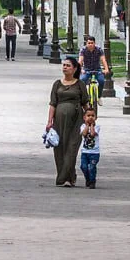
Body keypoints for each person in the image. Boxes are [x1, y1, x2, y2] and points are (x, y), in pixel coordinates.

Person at [45, 56, 90, 187]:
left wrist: (90, 119)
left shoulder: (79, 84)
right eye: (64, 65)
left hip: (76, 120)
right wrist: (49, 121)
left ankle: (63, 178)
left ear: (75, 68)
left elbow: (85, 103)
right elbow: (53, 104)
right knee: (60, 148)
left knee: (72, 148)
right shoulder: (57, 84)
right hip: (59, 121)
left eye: (68, 65)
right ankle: (69, 177)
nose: (65, 67)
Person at [79, 107, 101, 189]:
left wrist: (91, 125)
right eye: (88, 116)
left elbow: (92, 134)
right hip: (85, 152)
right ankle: (87, 179)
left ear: (96, 117)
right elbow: (84, 134)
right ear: (84, 117)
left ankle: (92, 181)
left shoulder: (97, 127)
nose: (90, 117)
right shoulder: (82, 126)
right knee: (83, 167)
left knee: (91, 167)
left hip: (94, 153)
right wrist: (87, 125)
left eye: (93, 116)